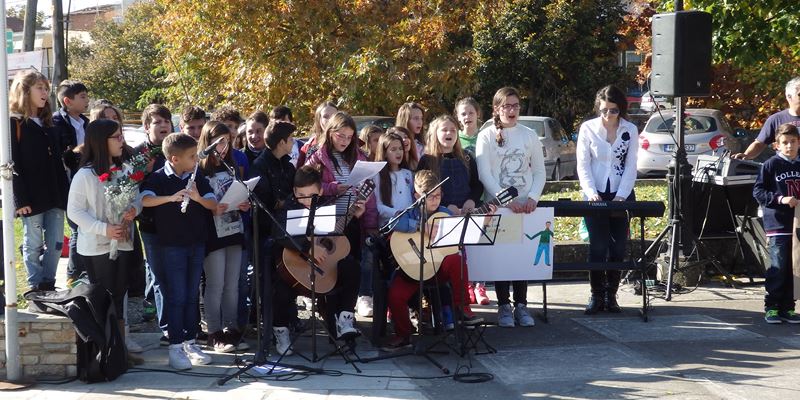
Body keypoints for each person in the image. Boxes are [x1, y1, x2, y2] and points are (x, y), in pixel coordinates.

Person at [141, 133, 221, 370]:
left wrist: (196, 196)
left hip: (195, 243)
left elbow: (213, 204)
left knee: (190, 296)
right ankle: (175, 347)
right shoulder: (157, 178)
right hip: (171, 245)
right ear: (175, 159)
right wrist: (170, 198)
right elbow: (144, 200)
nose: (196, 160)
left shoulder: (197, 177)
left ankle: (190, 342)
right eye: (192, 156)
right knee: (175, 296)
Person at [381, 170, 485, 351]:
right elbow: (391, 225)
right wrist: (419, 226)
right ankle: (403, 335)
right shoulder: (409, 213)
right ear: (416, 196)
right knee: (395, 296)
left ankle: (462, 309)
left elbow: (459, 237)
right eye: (430, 196)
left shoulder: (445, 213)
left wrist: (484, 219)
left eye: (438, 195)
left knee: (456, 260)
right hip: (412, 269)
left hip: (438, 270)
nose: (435, 200)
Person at [67, 119, 142, 363]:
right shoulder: (85, 175)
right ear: (101, 142)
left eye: (122, 136)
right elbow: (75, 212)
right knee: (104, 298)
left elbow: (137, 199)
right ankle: (107, 352)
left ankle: (120, 350)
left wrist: (133, 211)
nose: (122, 142)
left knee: (120, 295)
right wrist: (104, 229)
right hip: (97, 246)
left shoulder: (125, 170)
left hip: (123, 242)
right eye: (117, 137)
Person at [476, 86, 545, 328]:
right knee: (502, 258)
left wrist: (533, 197)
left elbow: (538, 171)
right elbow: (485, 173)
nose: (512, 110)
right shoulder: (486, 136)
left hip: (526, 207)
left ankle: (522, 305)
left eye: (516, 105)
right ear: (497, 108)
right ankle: (504, 305)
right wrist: (506, 201)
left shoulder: (529, 134)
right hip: (498, 207)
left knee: (521, 258)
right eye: (507, 105)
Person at [305, 111, 379, 338]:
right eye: (341, 136)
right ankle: (331, 318)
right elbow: (307, 187)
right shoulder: (317, 157)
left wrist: (367, 218)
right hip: (326, 222)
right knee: (330, 272)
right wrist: (333, 188)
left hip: (351, 221)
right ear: (330, 133)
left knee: (351, 269)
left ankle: (346, 319)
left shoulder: (360, 157)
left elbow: (370, 194)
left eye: (349, 137)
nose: (345, 141)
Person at [273, 165, 367, 341]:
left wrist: (355, 219)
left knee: (352, 267)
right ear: (294, 190)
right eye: (301, 195)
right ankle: (281, 333)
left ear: (322, 190)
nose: (306, 200)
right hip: (295, 268)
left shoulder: (327, 207)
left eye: (311, 195)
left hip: (324, 269)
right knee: (280, 290)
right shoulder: (288, 208)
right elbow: (278, 235)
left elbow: (343, 241)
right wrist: (308, 248)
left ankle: (345, 319)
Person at [576, 85, 638, 314]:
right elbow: (583, 164)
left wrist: (622, 195)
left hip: (621, 191)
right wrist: (591, 191)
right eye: (604, 110)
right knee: (598, 246)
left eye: (613, 111)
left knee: (618, 246)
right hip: (595, 190)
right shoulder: (588, 129)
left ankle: (612, 294)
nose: (608, 116)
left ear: (620, 109)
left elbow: (631, 165)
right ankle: (596, 294)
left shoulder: (629, 129)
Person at [9, 71, 70, 293]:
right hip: (31, 197)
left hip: (54, 194)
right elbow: (11, 163)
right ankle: (35, 284)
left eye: (46, 88)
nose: (45, 93)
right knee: (33, 243)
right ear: (25, 91)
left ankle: (48, 282)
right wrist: (20, 198)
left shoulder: (49, 123)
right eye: (39, 88)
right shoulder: (14, 123)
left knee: (55, 242)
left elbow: (59, 162)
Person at [197, 121, 251, 352]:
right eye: (219, 142)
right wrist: (211, 207)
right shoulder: (199, 169)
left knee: (232, 284)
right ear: (208, 142)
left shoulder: (232, 166)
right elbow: (195, 202)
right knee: (216, 283)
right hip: (213, 232)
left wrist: (244, 204)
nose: (224, 147)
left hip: (233, 228)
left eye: (227, 142)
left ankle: (231, 329)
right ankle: (214, 332)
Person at [249, 120, 298, 354]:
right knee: (271, 285)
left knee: (289, 281)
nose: (293, 143)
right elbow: (268, 201)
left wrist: (286, 201)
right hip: (268, 234)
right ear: (281, 142)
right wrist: (283, 202)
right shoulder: (259, 165)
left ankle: (288, 324)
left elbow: (294, 194)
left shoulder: (288, 165)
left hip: (289, 230)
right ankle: (275, 332)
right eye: (291, 139)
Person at [752, 123, 800, 324]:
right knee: (778, 267)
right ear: (777, 145)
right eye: (785, 143)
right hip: (778, 225)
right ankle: (771, 306)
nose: (789, 146)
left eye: (793, 142)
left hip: (797, 225)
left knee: (794, 267)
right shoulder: (770, 164)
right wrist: (781, 199)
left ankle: (788, 307)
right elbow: (758, 192)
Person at [136, 104, 171, 345]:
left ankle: (184, 326)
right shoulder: (138, 154)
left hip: (180, 226)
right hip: (151, 226)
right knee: (160, 278)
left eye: (166, 121)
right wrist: (143, 172)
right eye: (157, 122)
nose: (164, 126)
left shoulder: (178, 147)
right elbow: (128, 189)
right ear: (147, 127)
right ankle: (168, 328)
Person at [52, 80, 91, 287]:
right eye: (82, 97)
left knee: (87, 227)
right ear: (67, 101)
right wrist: (79, 149)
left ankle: (86, 272)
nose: (87, 100)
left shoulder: (85, 122)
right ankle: (73, 275)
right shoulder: (56, 123)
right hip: (68, 182)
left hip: (87, 180)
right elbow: (62, 155)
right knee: (77, 227)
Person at [733, 77, 800, 160]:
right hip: (785, 170)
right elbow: (759, 143)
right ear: (789, 96)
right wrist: (746, 155)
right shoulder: (776, 119)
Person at [298, 101, 338, 166]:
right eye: (325, 116)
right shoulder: (309, 147)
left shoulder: (350, 144)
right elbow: (301, 173)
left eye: (334, 116)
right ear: (319, 119)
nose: (330, 120)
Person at [396, 102, 425, 169]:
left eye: (421, 118)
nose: (420, 122)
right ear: (405, 120)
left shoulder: (422, 144)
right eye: (416, 118)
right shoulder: (396, 142)